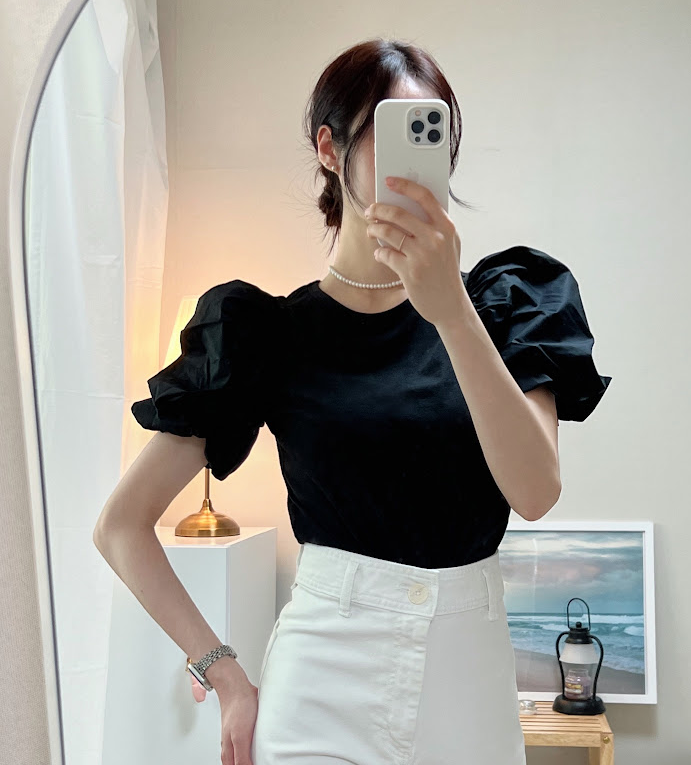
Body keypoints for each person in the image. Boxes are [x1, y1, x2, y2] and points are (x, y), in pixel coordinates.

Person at [96, 38, 611, 765]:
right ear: (330, 149)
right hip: (321, 681)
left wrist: (451, 311)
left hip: (468, 689)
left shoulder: (506, 304)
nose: (419, 157)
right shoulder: (268, 333)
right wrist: (224, 673)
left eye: (433, 132)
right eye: (393, 132)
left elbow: (535, 492)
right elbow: (121, 526)